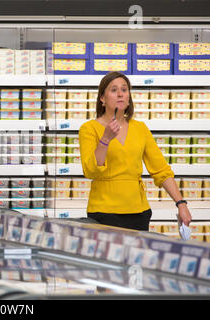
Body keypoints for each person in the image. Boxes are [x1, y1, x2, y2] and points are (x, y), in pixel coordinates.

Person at [78, 71, 192, 231]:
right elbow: (90, 171)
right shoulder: (89, 129)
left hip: (139, 212)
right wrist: (105, 139)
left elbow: (161, 170)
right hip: (104, 211)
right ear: (102, 99)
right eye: (113, 90)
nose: (120, 94)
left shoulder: (140, 128)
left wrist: (181, 203)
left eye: (124, 90)